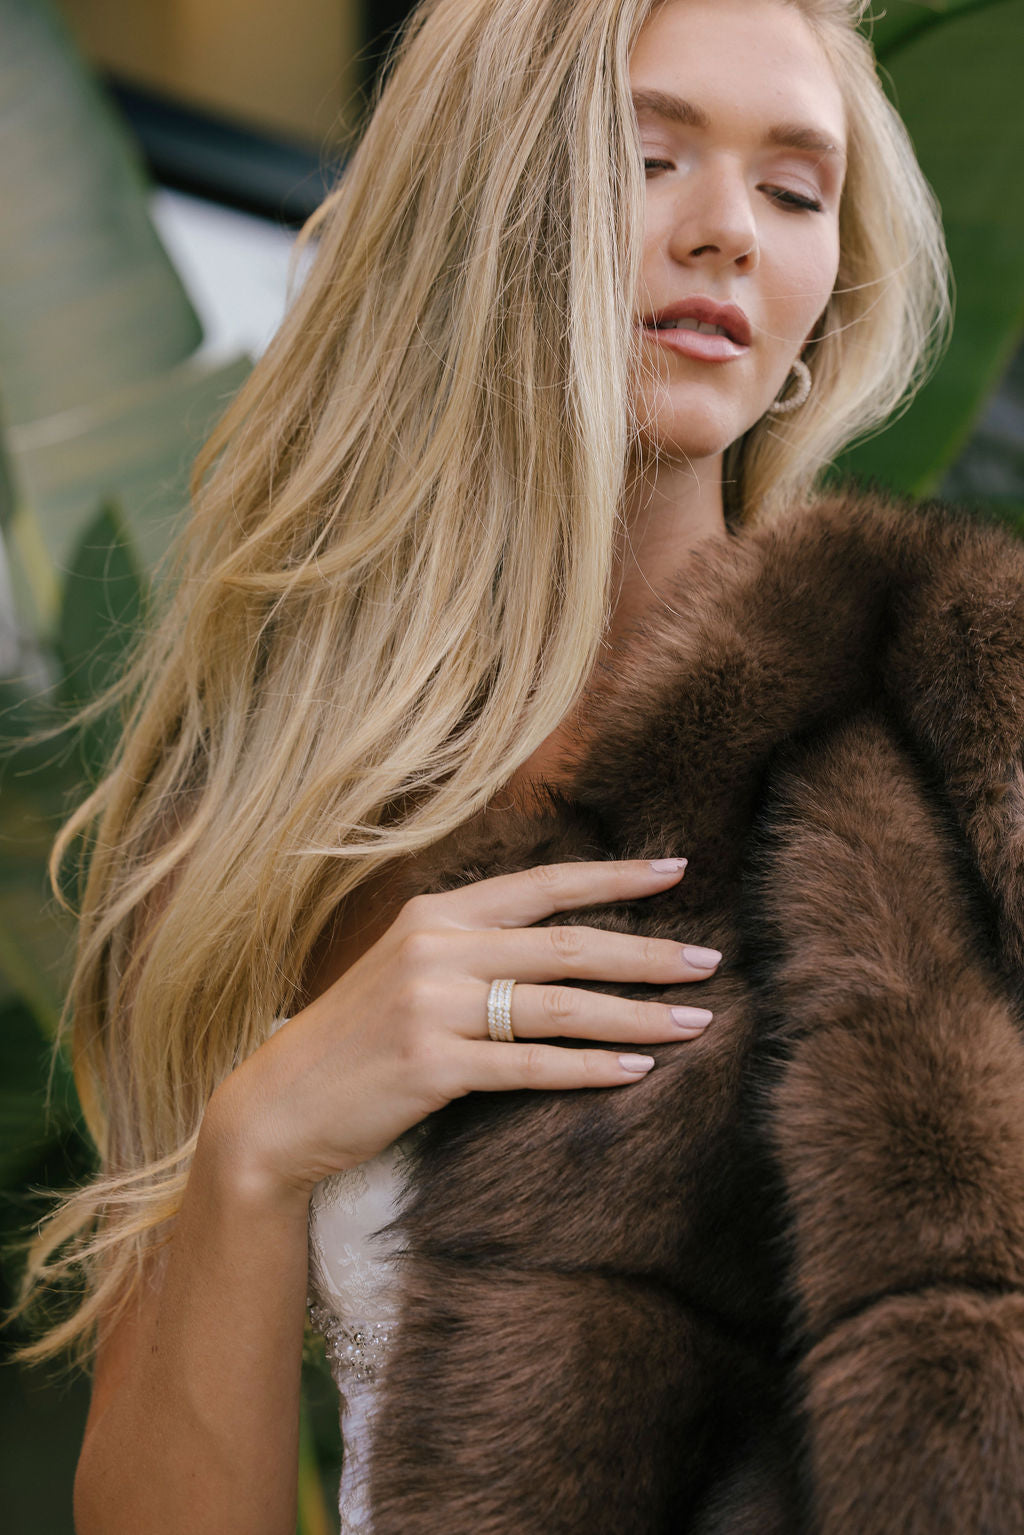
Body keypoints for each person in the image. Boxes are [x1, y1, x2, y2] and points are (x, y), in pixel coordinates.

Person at [22, 0, 1024, 1530]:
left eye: (794, 190)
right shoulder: (257, 824)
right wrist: (262, 1139)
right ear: (488, 201)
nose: (728, 235)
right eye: (651, 156)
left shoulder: (951, 736)